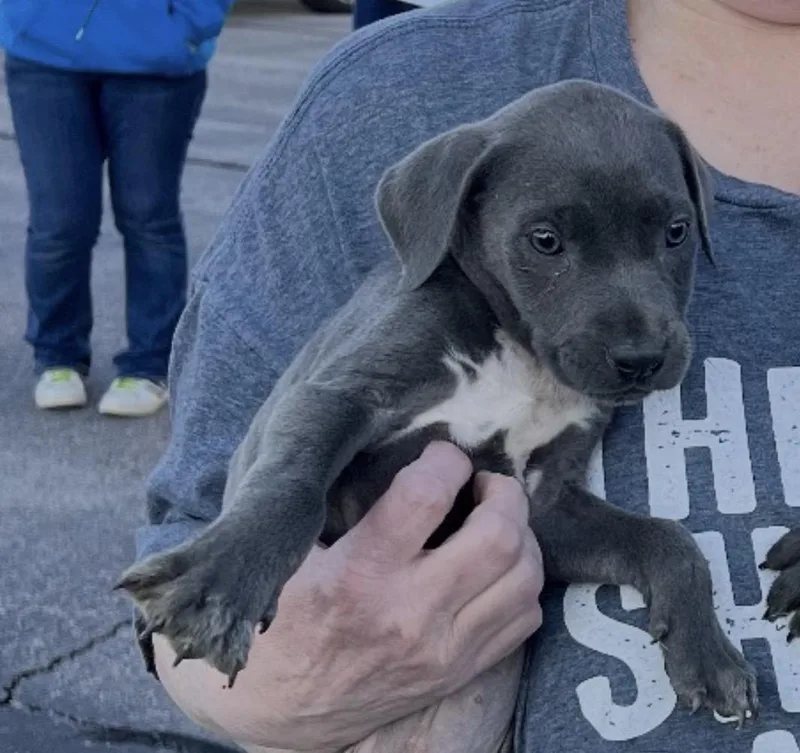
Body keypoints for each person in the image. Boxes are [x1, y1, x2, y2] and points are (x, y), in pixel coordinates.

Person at [132, 0, 800, 750]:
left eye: (671, 236)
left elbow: (546, 513)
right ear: (461, 213)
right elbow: (223, 498)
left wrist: (672, 565)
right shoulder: (391, 96)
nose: (642, 331)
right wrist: (277, 684)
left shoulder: (580, 354)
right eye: (547, 242)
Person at [1, 0, 234, 417]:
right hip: (42, 52)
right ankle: (56, 355)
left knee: (148, 218)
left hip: (157, 60)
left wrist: (187, 24)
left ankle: (151, 363)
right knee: (59, 221)